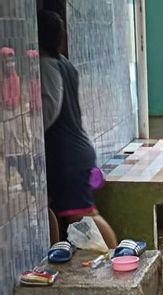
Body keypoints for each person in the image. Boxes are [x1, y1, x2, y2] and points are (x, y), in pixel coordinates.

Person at [38, 10, 117, 248]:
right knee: (58, 210)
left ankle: (116, 255)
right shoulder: (66, 64)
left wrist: (31, 130)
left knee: (83, 216)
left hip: (67, 156)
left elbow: (49, 110)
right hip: (74, 152)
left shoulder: (46, 65)